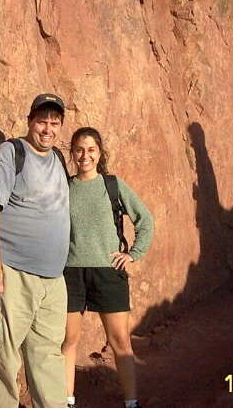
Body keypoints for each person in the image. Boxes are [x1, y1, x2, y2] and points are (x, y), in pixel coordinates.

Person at [0, 93, 70, 408]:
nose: (48, 129)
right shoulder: (8, 155)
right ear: (29, 121)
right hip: (8, 272)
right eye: (42, 122)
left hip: (51, 278)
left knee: (48, 353)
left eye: (55, 123)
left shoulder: (58, 159)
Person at [61, 127, 154, 408]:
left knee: (120, 342)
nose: (84, 156)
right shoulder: (64, 187)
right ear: (72, 153)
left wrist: (133, 254)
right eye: (79, 149)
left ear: (100, 153)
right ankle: (67, 402)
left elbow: (145, 220)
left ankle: (131, 403)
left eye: (91, 150)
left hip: (108, 272)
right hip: (71, 272)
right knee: (68, 341)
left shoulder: (113, 185)